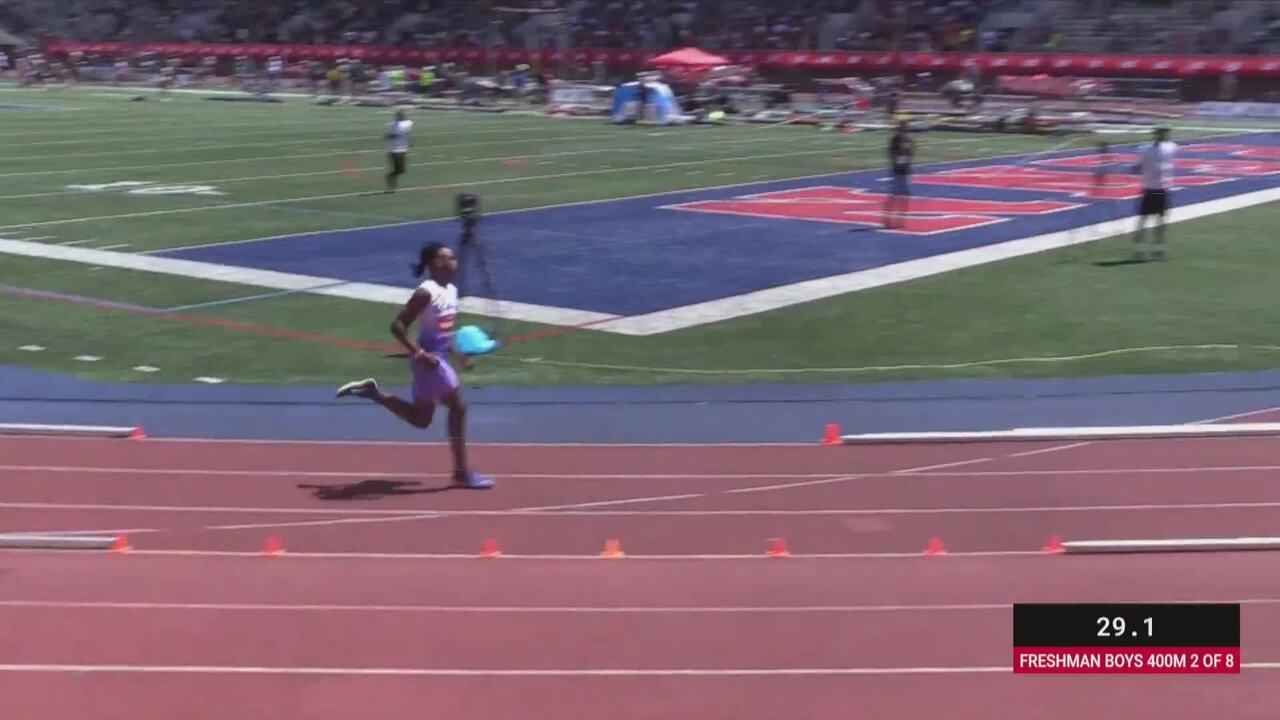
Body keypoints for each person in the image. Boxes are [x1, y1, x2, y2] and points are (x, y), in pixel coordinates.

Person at [335, 243, 493, 489]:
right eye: (448, 258)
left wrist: (459, 355)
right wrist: (419, 353)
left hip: (434, 362)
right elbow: (397, 326)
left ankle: (373, 392)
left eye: (453, 257)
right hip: (429, 362)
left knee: (421, 420)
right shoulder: (426, 292)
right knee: (458, 407)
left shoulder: (451, 290)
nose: (454, 261)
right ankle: (461, 472)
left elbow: (445, 331)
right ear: (435, 263)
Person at [1132, 127, 1176, 261]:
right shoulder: (1169, 148)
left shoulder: (1146, 149)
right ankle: (1148, 249)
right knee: (1151, 220)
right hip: (1155, 189)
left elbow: (1137, 168)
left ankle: (1151, 249)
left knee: (1154, 220)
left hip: (1156, 188)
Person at [884, 120, 913, 229]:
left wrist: (907, 165)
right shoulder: (896, 140)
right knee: (894, 195)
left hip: (904, 169)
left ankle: (900, 219)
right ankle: (888, 219)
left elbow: (909, 154)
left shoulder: (908, 140)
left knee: (904, 196)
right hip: (897, 170)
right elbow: (893, 153)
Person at [385, 109, 413, 193]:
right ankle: (392, 185)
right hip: (393, 150)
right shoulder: (391, 125)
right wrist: (393, 136)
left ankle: (390, 178)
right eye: (398, 115)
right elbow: (388, 136)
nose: (399, 116)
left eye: (400, 115)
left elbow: (408, 131)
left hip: (403, 149)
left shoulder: (407, 124)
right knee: (396, 169)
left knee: (401, 170)